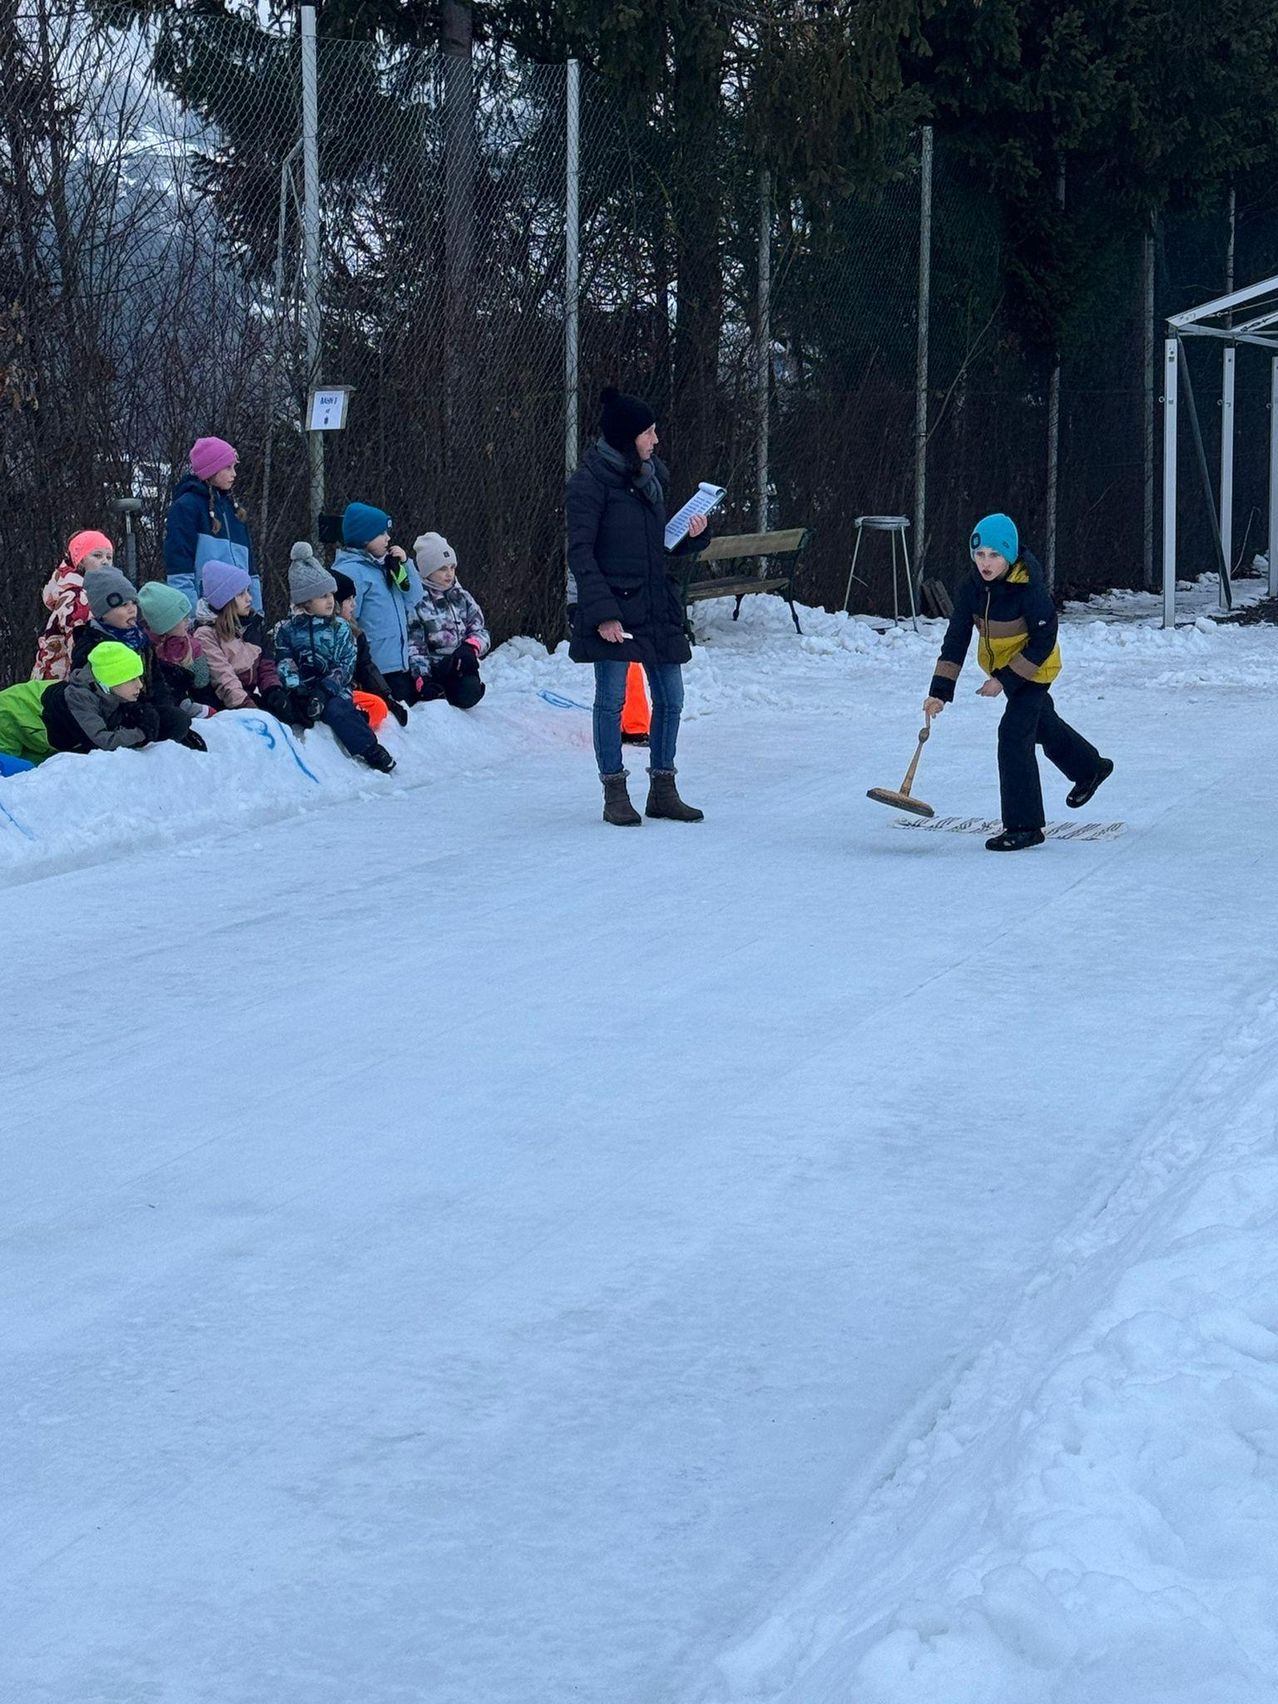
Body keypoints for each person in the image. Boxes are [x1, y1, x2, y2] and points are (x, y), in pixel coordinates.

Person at [922, 512, 1114, 852]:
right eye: (980, 554)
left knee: (1013, 734)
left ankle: (1024, 826)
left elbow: (1044, 639)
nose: (986, 562)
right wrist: (939, 692)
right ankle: (1090, 768)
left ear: (1009, 556)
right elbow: (955, 639)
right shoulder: (972, 588)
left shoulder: (1029, 588)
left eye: (995, 555)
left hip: (1035, 669)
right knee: (1041, 725)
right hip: (1004, 672)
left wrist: (1005, 680)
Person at [566, 385, 710, 825]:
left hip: (655, 602)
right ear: (629, 436)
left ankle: (663, 789)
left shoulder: (649, 477)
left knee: (671, 697)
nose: (656, 440)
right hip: (614, 606)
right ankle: (614, 792)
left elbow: (656, 546)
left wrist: (694, 533)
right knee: (610, 701)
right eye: (649, 432)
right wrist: (603, 613)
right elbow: (580, 553)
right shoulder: (589, 483)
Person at [272, 552, 396, 772]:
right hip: (301, 690)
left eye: (331, 594)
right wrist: (296, 688)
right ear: (305, 602)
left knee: (337, 710)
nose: (330, 600)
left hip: (333, 689)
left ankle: (370, 748)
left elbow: (346, 664)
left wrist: (324, 690)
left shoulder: (339, 628)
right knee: (286, 711)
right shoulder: (286, 630)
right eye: (322, 596)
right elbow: (285, 661)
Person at [0, 642, 202, 764]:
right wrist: (143, 733)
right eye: (132, 678)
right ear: (112, 679)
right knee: (17, 778)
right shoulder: (81, 700)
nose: (139, 685)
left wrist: (170, 728)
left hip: (41, 730)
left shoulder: (109, 691)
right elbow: (102, 742)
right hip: (9, 718)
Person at [330, 503, 424, 696]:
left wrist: (405, 565)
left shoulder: (386, 566)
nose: (388, 538)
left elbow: (413, 597)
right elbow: (349, 620)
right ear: (365, 537)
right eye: (382, 533)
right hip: (376, 666)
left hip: (399, 663)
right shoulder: (352, 571)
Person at [163, 435, 259, 614]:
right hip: (206, 611)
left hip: (240, 609)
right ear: (211, 471)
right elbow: (179, 567)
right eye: (228, 468)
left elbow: (250, 567)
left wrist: (257, 611)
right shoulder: (187, 507)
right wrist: (190, 616)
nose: (234, 474)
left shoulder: (233, 510)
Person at [194, 560, 290, 719]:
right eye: (241, 594)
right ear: (225, 601)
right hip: (224, 705)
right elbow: (224, 677)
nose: (249, 598)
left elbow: (266, 667)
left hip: (248, 697)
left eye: (248, 591)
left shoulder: (252, 625)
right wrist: (249, 707)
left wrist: (273, 691)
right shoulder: (206, 634)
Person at [405, 532, 490, 710]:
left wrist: (471, 647)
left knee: (469, 693)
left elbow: (480, 630)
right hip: (434, 668)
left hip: (460, 663)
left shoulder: (462, 597)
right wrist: (423, 678)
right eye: (442, 569)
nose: (449, 574)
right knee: (434, 698)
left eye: (452, 567)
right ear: (427, 570)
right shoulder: (418, 600)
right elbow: (414, 646)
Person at [330, 564, 411, 727]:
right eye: (348, 600)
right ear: (335, 604)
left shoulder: (355, 633)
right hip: (330, 693)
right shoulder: (325, 634)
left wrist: (388, 698)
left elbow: (366, 668)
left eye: (354, 598)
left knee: (378, 707)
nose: (354, 604)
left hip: (350, 692)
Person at [31, 529, 115, 681]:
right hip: (62, 684)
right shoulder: (77, 598)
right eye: (96, 555)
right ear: (80, 560)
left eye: (109, 557)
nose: (105, 561)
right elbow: (80, 651)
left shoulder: (89, 593)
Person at [136, 581, 218, 722]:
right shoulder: (147, 651)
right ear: (166, 624)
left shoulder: (191, 645)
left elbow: (201, 682)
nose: (188, 621)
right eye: (183, 618)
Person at [70, 568, 149, 670]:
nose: (132, 610)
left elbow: (155, 677)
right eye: (124, 605)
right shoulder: (90, 648)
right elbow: (82, 682)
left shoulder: (140, 637)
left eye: (134, 602)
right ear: (103, 613)